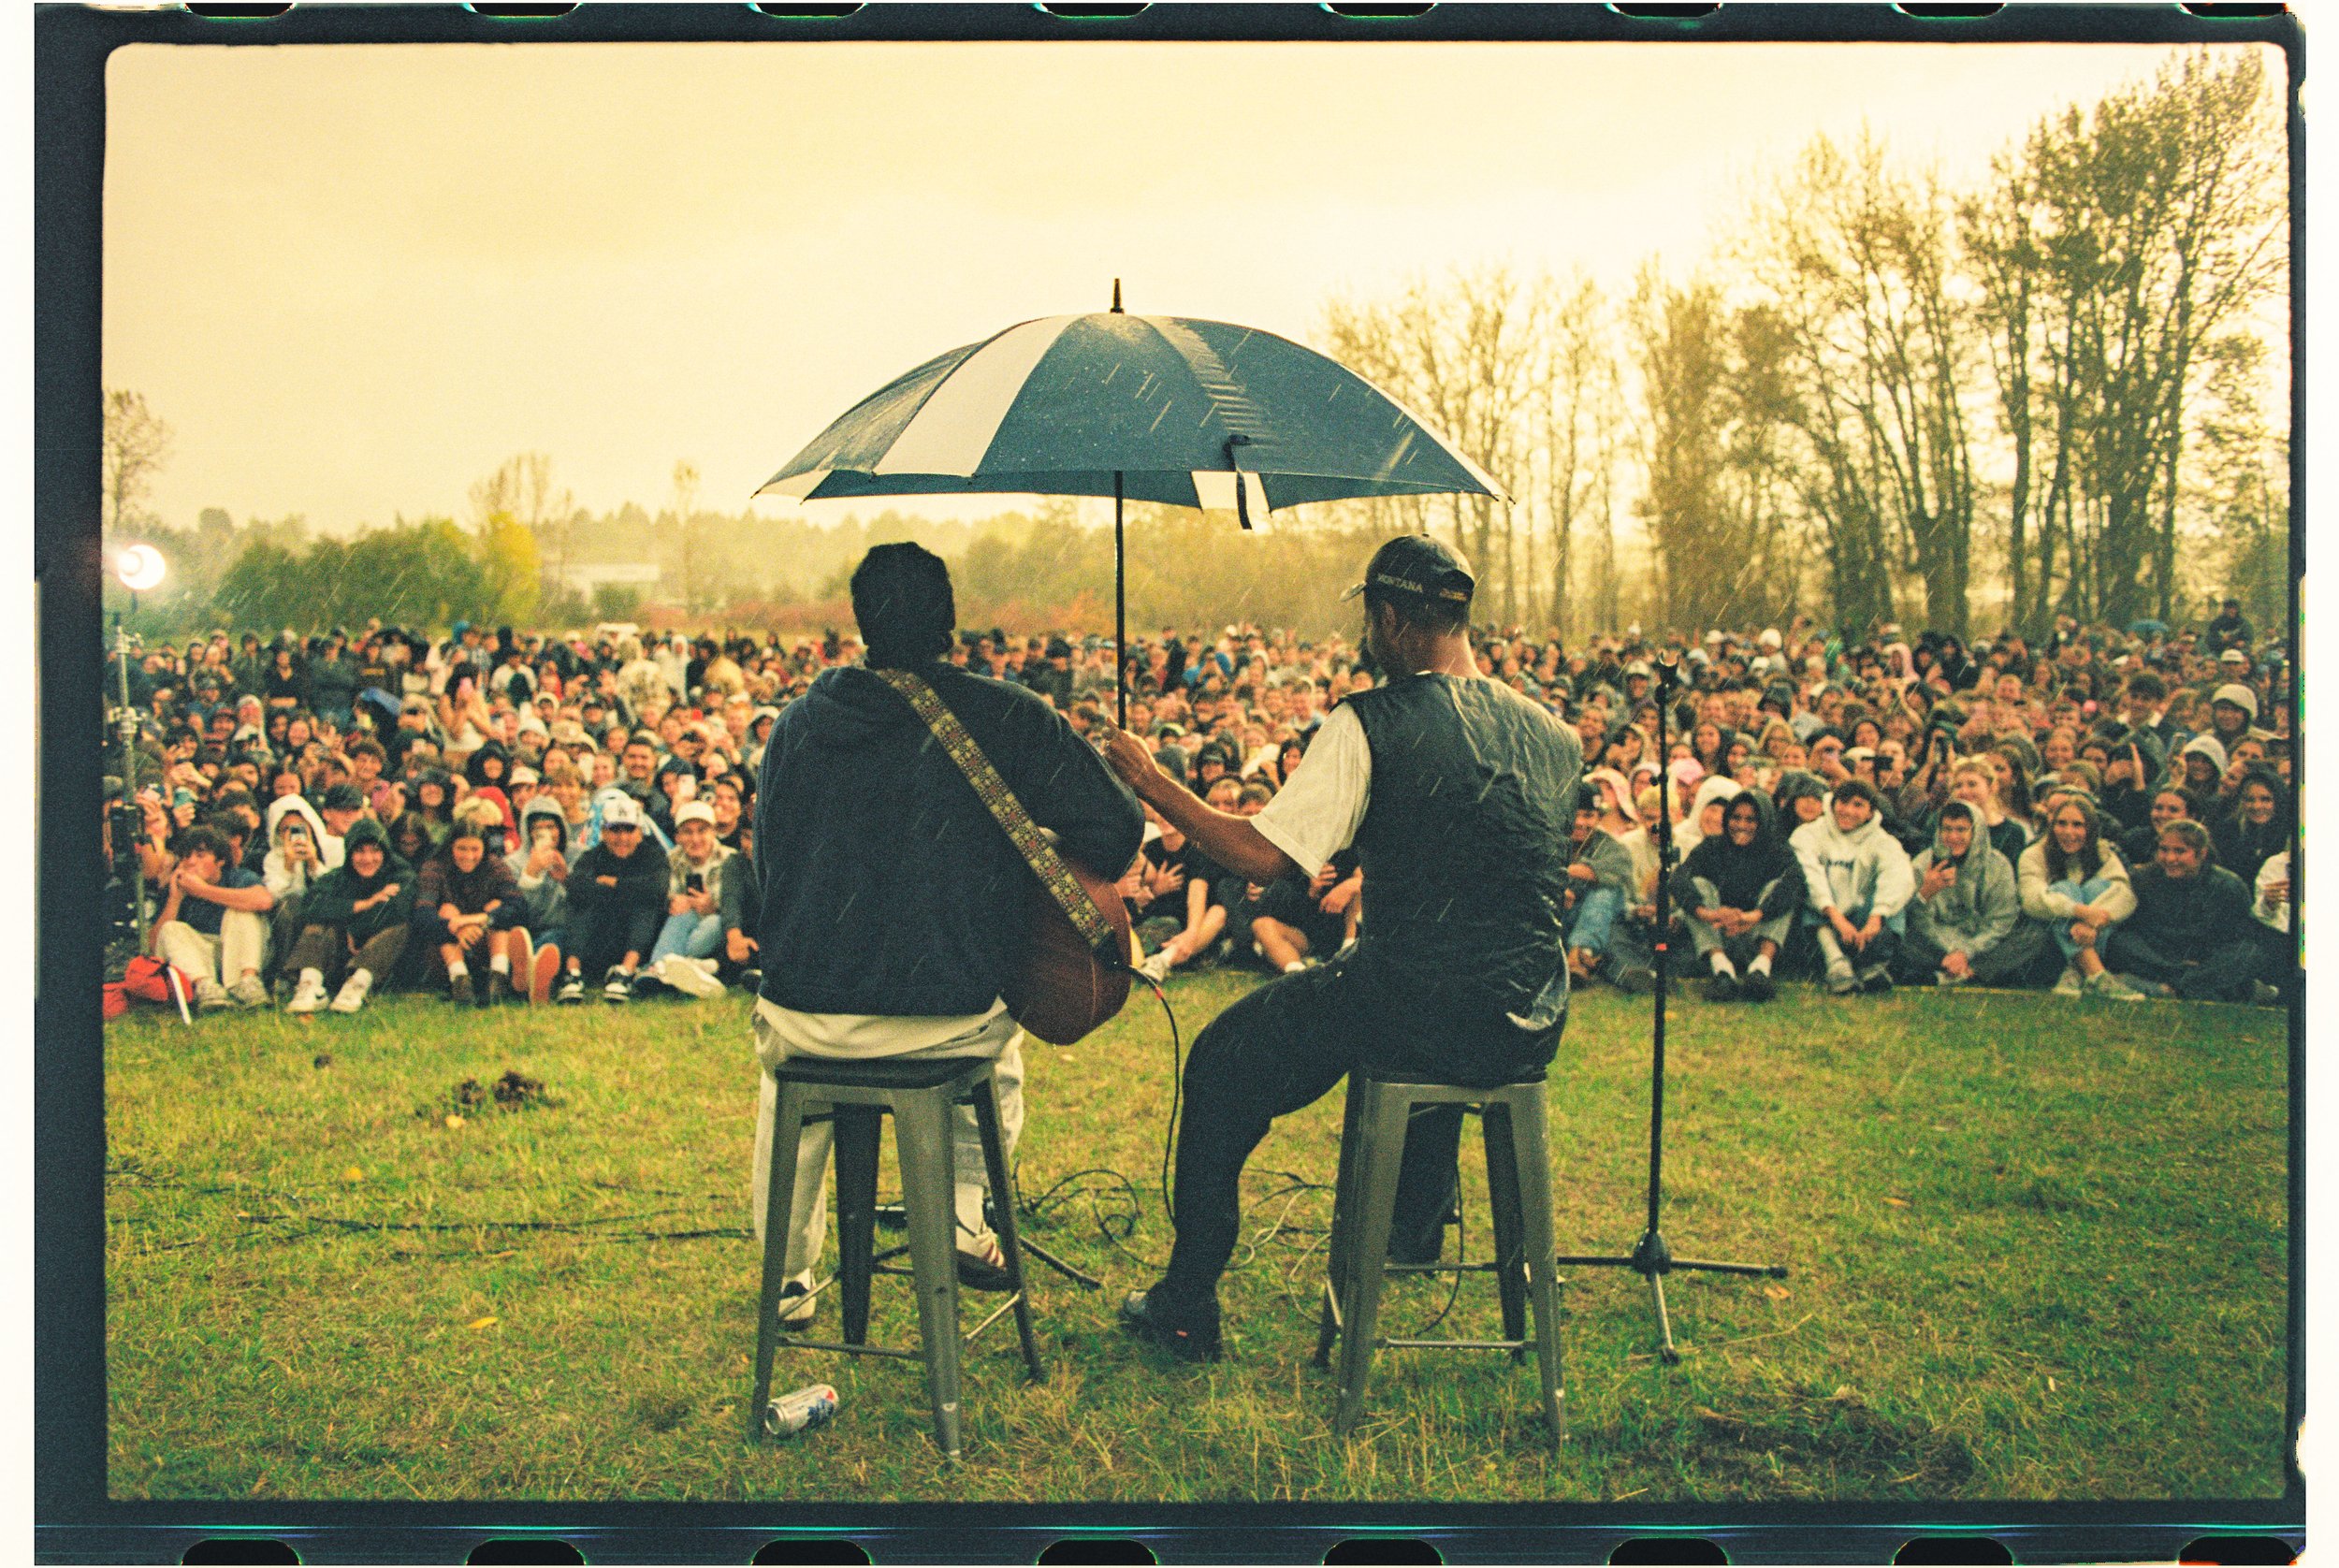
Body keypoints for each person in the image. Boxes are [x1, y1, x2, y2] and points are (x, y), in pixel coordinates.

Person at [1094, 536, 1576, 1362]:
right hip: (1528, 1014)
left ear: (1388, 619)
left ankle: (1187, 1301)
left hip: (1415, 1004)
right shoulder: (1554, 737)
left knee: (1219, 1062)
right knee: (1414, 993)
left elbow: (1261, 857)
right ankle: (1415, 1224)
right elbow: (1486, 857)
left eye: (1370, 620)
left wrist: (1149, 780)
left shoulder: (1369, 722)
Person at [749, 544, 1141, 1322]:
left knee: (786, 1095)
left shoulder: (796, 726)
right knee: (998, 1057)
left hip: (807, 1017)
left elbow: (771, 865)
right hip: (948, 1017)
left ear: (861, 622)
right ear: (951, 622)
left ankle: (787, 1279)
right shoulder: (1009, 716)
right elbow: (1119, 832)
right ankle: (963, 1217)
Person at [2099, 820, 2274, 1005]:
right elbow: (2134, 927)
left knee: (2249, 953)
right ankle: (2222, 990)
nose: (2170, 859)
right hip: (2161, 955)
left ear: (2202, 854)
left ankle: (2169, 988)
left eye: (2180, 851)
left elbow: (2238, 937)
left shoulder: (2229, 885)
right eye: (2164, 850)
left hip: (2207, 958)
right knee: (2119, 942)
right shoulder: (2144, 879)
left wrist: (2205, 961)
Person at [1894, 798, 2046, 989]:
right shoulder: (1924, 864)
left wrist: (1966, 952)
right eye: (1947, 829)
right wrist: (1925, 894)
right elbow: (1916, 922)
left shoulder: (1998, 866)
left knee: (2033, 934)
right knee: (1896, 931)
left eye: (1961, 829)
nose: (1953, 837)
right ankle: (1966, 974)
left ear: (1977, 832)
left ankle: (1963, 973)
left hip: (1982, 945)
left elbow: (2001, 921)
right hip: (1937, 945)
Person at [1672, 790, 1802, 1002]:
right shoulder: (1712, 846)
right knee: (1698, 885)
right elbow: (1679, 879)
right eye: (1736, 818)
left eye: (1751, 820)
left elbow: (1795, 883)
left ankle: (1760, 971)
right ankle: (1722, 971)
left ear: (1764, 821)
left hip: (1757, 935)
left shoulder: (1777, 849)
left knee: (1782, 888)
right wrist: (1709, 914)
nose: (1741, 825)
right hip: (1717, 935)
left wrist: (1753, 916)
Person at [1789, 777, 1912, 995]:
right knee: (1809, 892)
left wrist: (1876, 918)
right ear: (1833, 803)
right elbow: (1810, 877)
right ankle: (1836, 964)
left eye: (1858, 805)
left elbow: (1898, 876)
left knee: (1894, 903)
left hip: (1862, 926)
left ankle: (1871, 965)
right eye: (1843, 803)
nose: (1848, 811)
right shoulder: (1809, 833)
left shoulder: (1882, 840)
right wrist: (1836, 917)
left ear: (1870, 812)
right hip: (1823, 929)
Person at [283, 817, 415, 1015]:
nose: (368, 859)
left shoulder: (401, 874)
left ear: (385, 852)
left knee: (399, 927)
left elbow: (396, 909)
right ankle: (310, 984)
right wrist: (364, 904)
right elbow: (311, 905)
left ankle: (357, 984)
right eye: (360, 851)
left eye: (375, 851)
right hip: (338, 957)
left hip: (377, 959)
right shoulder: (339, 876)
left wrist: (355, 929)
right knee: (318, 923)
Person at [2016, 798, 2141, 1001]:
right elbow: (2032, 900)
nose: (2068, 832)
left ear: (2090, 828)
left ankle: (2074, 970)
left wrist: (2094, 921)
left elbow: (2125, 893)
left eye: (2078, 825)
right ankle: (2096, 974)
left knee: (2097, 888)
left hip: (2094, 932)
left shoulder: (2102, 852)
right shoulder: (2034, 854)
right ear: (2051, 825)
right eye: (2061, 823)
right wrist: (2078, 911)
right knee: (2063, 889)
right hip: (2048, 936)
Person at [151, 824, 277, 1010]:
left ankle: (247, 983)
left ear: (220, 861)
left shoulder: (238, 877)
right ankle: (206, 987)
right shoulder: (176, 889)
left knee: (240, 910)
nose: (191, 862)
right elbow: (153, 946)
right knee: (170, 928)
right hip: (205, 959)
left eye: (200, 856)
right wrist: (174, 899)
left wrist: (203, 891)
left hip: (245, 954)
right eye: (186, 856)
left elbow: (264, 901)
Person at [556, 792, 667, 1003]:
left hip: (637, 942)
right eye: (615, 829)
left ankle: (626, 971)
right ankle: (572, 973)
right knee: (581, 903)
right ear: (604, 832)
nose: (622, 837)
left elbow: (658, 890)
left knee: (645, 904)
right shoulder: (592, 856)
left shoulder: (653, 856)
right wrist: (628, 891)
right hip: (598, 939)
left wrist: (615, 884)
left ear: (640, 833)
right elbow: (576, 888)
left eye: (629, 829)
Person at [413, 818, 528, 1006]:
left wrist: (480, 919)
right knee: (446, 909)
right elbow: (423, 915)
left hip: (485, 941)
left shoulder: (494, 865)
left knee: (497, 905)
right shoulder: (435, 866)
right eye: (462, 849)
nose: (468, 856)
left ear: (484, 848)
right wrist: (455, 927)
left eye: (475, 849)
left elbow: (519, 906)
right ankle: (460, 980)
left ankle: (498, 978)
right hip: (446, 952)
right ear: (451, 846)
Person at [638, 799, 736, 999]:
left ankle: (666, 967)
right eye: (688, 832)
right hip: (684, 924)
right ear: (678, 836)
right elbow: (668, 897)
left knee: (713, 922)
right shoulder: (673, 859)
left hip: (719, 927)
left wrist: (712, 906)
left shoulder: (729, 859)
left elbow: (735, 904)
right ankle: (670, 967)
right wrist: (675, 902)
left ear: (713, 832)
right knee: (680, 917)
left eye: (702, 831)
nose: (695, 838)